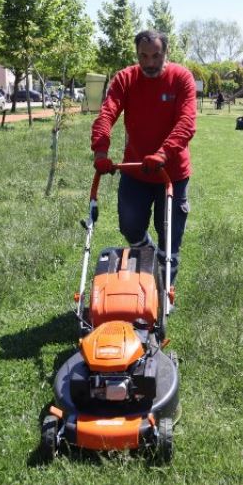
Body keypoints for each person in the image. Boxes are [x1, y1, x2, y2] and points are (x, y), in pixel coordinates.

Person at [91, 30, 196, 295]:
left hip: (171, 173)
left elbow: (186, 123)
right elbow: (107, 113)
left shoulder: (181, 78)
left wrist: (163, 153)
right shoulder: (126, 79)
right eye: (144, 56)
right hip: (136, 170)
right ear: (137, 55)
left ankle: (164, 294)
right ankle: (146, 252)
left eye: (156, 56)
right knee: (129, 225)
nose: (150, 62)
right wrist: (101, 151)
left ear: (166, 53)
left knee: (170, 235)